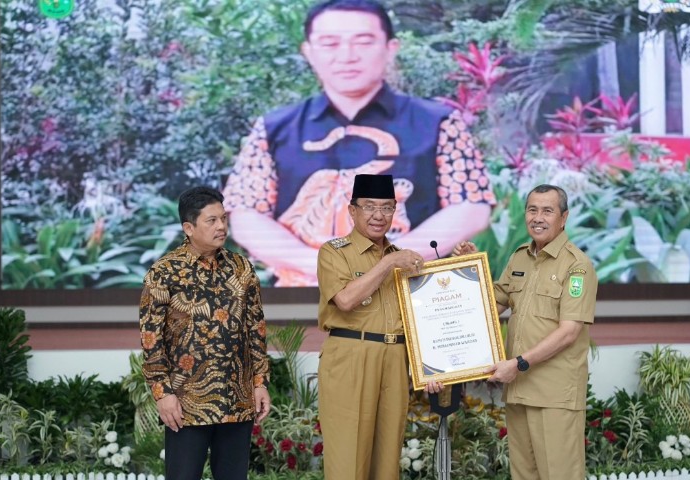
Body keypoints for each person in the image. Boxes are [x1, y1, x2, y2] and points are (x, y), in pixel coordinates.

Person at [222, 0, 496, 286]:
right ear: (308, 52)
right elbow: (246, 215)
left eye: (363, 42)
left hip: (414, 293)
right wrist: (320, 265)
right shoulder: (273, 128)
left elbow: (471, 208)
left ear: (391, 48)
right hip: (307, 293)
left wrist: (389, 261)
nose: (347, 56)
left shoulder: (440, 123)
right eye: (330, 43)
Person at [454, 184, 597, 480]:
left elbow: (569, 332)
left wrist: (518, 364)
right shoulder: (520, 257)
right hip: (519, 391)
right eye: (532, 210)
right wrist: (469, 267)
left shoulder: (577, 266)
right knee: (523, 475)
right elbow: (490, 306)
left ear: (564, 217)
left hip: (553, 394)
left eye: (547, 211)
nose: (538, 218)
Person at [139, 186, 271, 480]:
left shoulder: (242, 268)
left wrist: (260, 382)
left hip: (237, 401)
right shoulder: (164, 272)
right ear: (189, 228)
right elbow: (151, 340)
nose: (221, 226)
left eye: (223, 218)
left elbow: (256, 329)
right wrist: (162, 394)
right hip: (186, 404)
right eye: (211, 220)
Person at [317, 174, 442, 480]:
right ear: (352, 210)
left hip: (395, 360)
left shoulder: (401, 258)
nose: (379, 215)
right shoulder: (334, 251)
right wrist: (387, 264)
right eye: (370, 207)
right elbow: (345, 300)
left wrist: (433, 367)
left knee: (387, 462)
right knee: (348, 460)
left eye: (386, 208)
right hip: (351, 356)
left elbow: (424, 316)